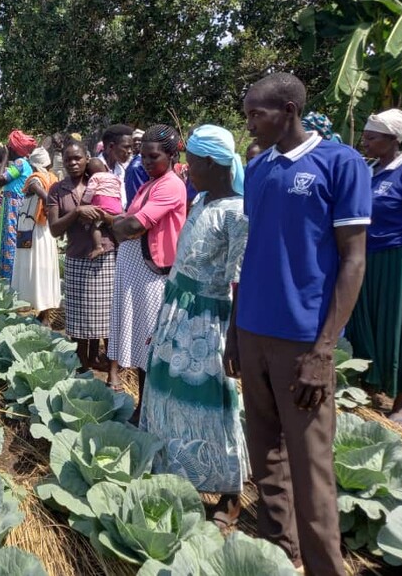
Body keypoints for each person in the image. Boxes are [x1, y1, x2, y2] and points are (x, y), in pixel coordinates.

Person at [228, 72, 370, 575]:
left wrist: (323, 349)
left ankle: (324, 566)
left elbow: (353, 261)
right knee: (266, 454)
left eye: (256, 115)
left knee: (311, 467)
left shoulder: (340, 163)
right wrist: (233, 326)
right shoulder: (259, 167)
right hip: (253, 329)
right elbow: (250, 252)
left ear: (288, 110)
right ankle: (280, 553)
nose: (249, 125)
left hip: (302, 339)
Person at [139, 124, 248, 531]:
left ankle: (231, 494)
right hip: (179, 312)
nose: (188, 167)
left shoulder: (237, 213)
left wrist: (233, 339)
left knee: (218, 405)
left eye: (193, 161)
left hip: (211, 320)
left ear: (211, 162)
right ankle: (178, 479)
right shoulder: (201, 199)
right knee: (171, 396)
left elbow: (239, 281)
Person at [347, 109, 402, 425]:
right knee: (363, 324)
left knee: (398, 327)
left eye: (371, 138)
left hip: (398, 259)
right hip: (365, 259)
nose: (364, 142)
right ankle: (369, 385)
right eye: (364, 136)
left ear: (393, 139)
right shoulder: (368, 170)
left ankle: (401, 402)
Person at [108, 125, 187, 400]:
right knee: (144, 345)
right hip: (138, 273)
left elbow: (132, 224)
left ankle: (150, 408)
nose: (147, 162)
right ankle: (145, 407)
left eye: (154, 156)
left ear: (172, 156)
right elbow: (126, 221)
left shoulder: (171, 185)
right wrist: (122, 224)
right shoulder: (149, 183)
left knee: (151, 343)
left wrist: (118, 226)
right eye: (143, 156)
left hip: (152, 273)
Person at [47, 140, 115, 371]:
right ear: (63, 162)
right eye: (68, 159)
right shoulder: (57, 190)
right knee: (78, 319)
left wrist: (101, 215)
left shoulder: (101, 181)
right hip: (76, 257)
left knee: (105, 316)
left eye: (78, 158)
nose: (73, 163)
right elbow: (55, 229)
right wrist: (77, 211)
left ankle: (103, 362)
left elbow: (117, 215)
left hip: (105, 255)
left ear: (87, 158)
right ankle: (82, 364)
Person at [11, 147, 61, 325]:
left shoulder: (35, 179)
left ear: (34, 165)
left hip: (33, 230)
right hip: (45, 228)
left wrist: (52, 204)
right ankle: (44, 312)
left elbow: (44, 196)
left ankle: (43, 314)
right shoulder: (53, 178)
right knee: (45, 267)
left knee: (34, 267)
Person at [0, 130, 35, 282]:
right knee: (15, 240)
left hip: (14, 207)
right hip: (16, 205)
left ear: (13, 148)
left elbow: (0, 180)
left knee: (11, 240)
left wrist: (4, 158)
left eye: (8, 147)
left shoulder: (19, 163)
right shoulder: (23, 163)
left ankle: (10, 278)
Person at [84, 158, 125, 259]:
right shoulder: (114, 177)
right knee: (114, 226)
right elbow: (119, 188)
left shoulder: (95, 177)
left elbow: (90, 191)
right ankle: (120, 244)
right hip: (116, 205)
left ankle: (98, 247)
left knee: (95, 226)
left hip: (102, 205)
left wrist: (84, 202)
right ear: (105, 167)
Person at [98, 123, 134, 208]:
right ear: (111, 146)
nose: (130, 151)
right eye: (126, 147)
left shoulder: (121, 169)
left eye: (131, 147)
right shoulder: (94, 168)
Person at [125, 128, 150, 207]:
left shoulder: (141, 162)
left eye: (139, 140)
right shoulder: (133, 160)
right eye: (134, 140)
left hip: (137, 204)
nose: (136, 142)